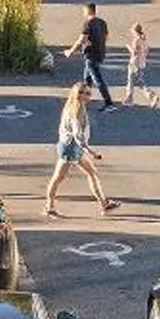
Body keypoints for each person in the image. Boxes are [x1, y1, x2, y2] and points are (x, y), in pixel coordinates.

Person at [44, 81, 116, 217]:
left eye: (88, 93)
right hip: (71, 148)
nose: (86, 96)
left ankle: (103, 203)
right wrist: (91, 152)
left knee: (92, 173)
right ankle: (49, 206)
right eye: (82, 93)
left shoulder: (74, 106)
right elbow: (78, 136)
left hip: (73, 147)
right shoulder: (76, 111)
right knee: (58, 177)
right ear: (76, 94)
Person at [75, 1, 115, 108]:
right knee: (87, 78)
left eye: (84, 11)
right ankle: (85, 99)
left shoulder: (88, 23)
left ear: (88, 11)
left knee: (97, 79)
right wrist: (97, 44)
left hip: (91, 55)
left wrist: (70, 51)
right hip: (100, 53)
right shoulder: (102, 22)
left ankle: (109, 102)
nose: (83, 13)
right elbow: (105, 37)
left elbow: (81, 39)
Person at [122, 22, 153, 107]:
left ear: (134, 31)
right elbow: (147, 52)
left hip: (134, 63)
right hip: (141, 63)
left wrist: (128, 47)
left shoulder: (136, 40)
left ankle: (151, 96)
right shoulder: (143, 40)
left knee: (135, 81)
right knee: (133, 81)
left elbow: (134, 53)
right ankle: (129, 98)